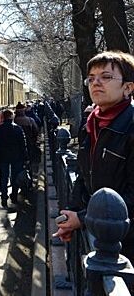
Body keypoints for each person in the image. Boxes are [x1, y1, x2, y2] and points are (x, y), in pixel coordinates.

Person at [54, 51, 134, 261]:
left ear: (128, 87)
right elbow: (82, 174)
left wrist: (82, 219)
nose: (96, 83)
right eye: (91, 78)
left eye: (106, 77)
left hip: (125, 246)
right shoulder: (91, 124)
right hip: (98, 239)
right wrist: (69, 215)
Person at [0, 109, 28, 208]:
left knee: (4, 177)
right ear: (12, 117)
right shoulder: (18, 129)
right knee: (15, 177)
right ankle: (14, 196)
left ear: (3, 117)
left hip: (3, 157)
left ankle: (4, 197)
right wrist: (25, 158)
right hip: (17, 157)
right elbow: (23, 145)